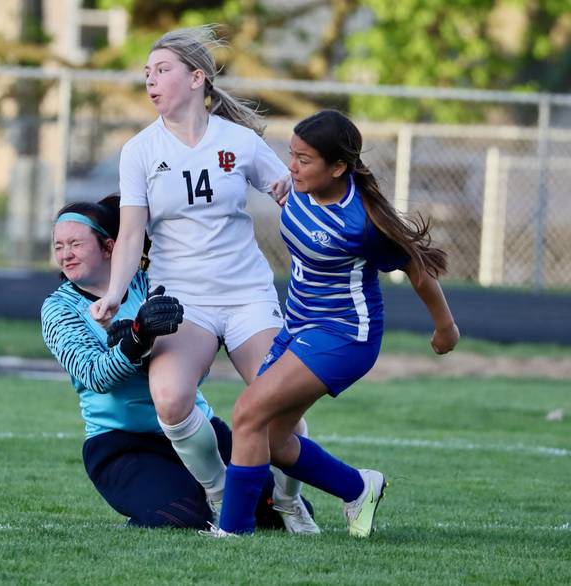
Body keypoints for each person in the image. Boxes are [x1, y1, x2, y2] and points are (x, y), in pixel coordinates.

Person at [88, 26, 317, 534]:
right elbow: (130, 237)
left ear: (197, 78)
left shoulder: (238, 142)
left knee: (287, 414)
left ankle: (287, 499)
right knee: (170, 398)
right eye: (146, 73)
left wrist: (292, 190)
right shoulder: (139, 151)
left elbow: (291, 193)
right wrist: (113, 295)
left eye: (161, 70)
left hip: (246, 297)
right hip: (183, 301)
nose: (150, 81)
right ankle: (218, 492)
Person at [211, 110, 461, 537]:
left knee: (247, 412)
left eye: (304, 159)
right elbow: (279, 179)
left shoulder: (361, 224)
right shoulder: (298, 187)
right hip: (298, 326)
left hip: (343, 335)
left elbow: (419, 271)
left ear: (339, 167)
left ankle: (232, 533)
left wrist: (445, 329)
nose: (291, 166)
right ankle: (357, 487)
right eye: (291, 155)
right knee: (270, 440)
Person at [41, 194, 305, 530]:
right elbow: (94, 375)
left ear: (109, 247)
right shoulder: (58, 308)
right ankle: (180, 497)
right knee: (180, 518)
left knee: (271, 516)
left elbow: (197, 368)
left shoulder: (153, 283)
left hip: (195, 427)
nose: (65, 254)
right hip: (123, 443)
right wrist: (136, 340)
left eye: (75, 244)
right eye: (59, 245)